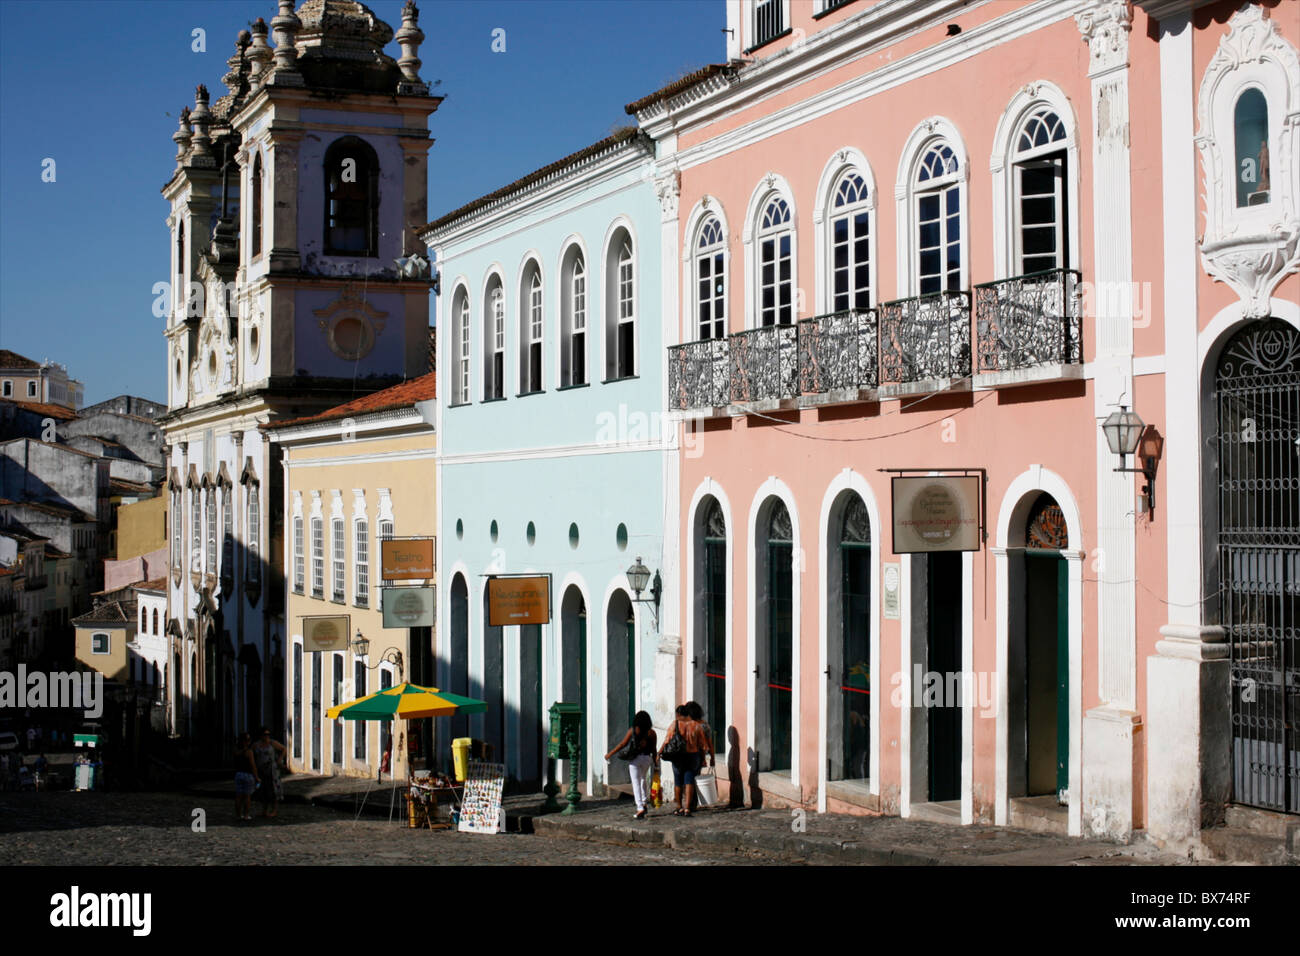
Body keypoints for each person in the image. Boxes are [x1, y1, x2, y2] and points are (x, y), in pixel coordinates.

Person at [604, 711, 657, 820]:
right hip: (647, 758)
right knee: (643, 780)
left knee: (636, 783)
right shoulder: (651, 733)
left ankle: (640, 807)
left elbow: (623, 744)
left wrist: (610, 754)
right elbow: (654, 749)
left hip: (635, 759)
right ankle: (644, 802)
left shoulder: (633, 731)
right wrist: (655, 763)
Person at [658, 705, 706, 817]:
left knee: (678, 781)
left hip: (678, 756)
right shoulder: (697, 726)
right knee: (689, 781)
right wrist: (703, 759)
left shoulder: (675, 725)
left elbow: (667, 740)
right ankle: (688, 808)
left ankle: (679, 806)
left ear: (678, 714)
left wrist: (659, 752)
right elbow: (702, 745)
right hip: (693, 755)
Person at [251, 727, 286, 818]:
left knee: (273, 790)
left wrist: (279, 760)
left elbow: (283, 749)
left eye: (268, 734)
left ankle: (274, 810)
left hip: (272, 770)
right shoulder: (256, 745)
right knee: (263, 791)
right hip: (261, 770)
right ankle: (264, 810)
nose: (267, 736)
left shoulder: (272, 743)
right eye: (265, 734)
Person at [233, 733, 259, 822]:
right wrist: (257, 777)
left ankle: (238, 815)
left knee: (238, 796)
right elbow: (253, 765)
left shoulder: (236, 751)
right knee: (247, 796)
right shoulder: (249, 752)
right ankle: (246, 815)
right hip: (247, 775)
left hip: (238, 774)